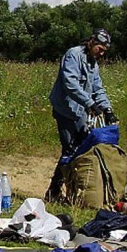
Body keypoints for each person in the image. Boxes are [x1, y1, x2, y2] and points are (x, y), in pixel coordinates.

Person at [45, 28, 118, 200]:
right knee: (70, 150)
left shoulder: (93, 64)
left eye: (104, 51)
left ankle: (76, 191)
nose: (101, 53)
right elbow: (70, 84)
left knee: (83, 148)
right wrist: (90, 103)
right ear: (92, 42)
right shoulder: (73, 55)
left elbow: (97, 88)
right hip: (65, 110)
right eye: (100, 49)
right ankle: (54, 191)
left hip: (81, 112)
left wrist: (108, 110)